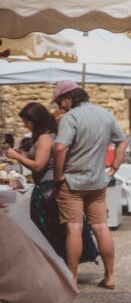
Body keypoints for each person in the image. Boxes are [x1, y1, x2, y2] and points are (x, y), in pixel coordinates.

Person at [51, 81, 126, 289]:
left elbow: (59, 149)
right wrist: (113, 170)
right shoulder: (105, 114)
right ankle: (110, 277)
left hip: (72, 181)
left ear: (68, 97)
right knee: (101, 227)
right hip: (97, 181)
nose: (59, 106)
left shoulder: (70, 117)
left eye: (59, 101)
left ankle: (72, 279)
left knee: (73, 229)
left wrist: (58, 176)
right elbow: (123, 141)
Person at [6, 102, 99, 263]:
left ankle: (57, 268)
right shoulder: (51, 134)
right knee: (57, 231)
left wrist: (17, 157)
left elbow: (38, 165)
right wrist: (26, 155)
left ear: (36, 121)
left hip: (46, 190)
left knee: (48, 232)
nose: (25, 125)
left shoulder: (44, 138)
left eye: (27, 122)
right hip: (51, 187)